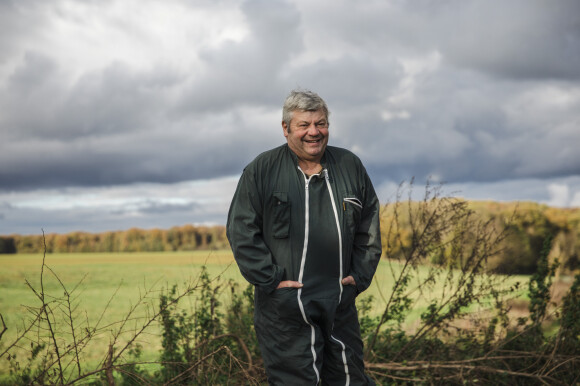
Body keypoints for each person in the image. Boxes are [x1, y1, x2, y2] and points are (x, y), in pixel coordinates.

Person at [226, 89, 382, 385]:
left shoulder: (349, 166)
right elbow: (241, 230)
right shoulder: (263, 169)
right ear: (286, 129)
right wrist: (271, 279)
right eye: (304, 125)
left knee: (351, 379)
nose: (314, 132)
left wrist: (359, 276)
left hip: (339, 304)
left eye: (321, 124)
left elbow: (369, 225)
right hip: (286, 308)